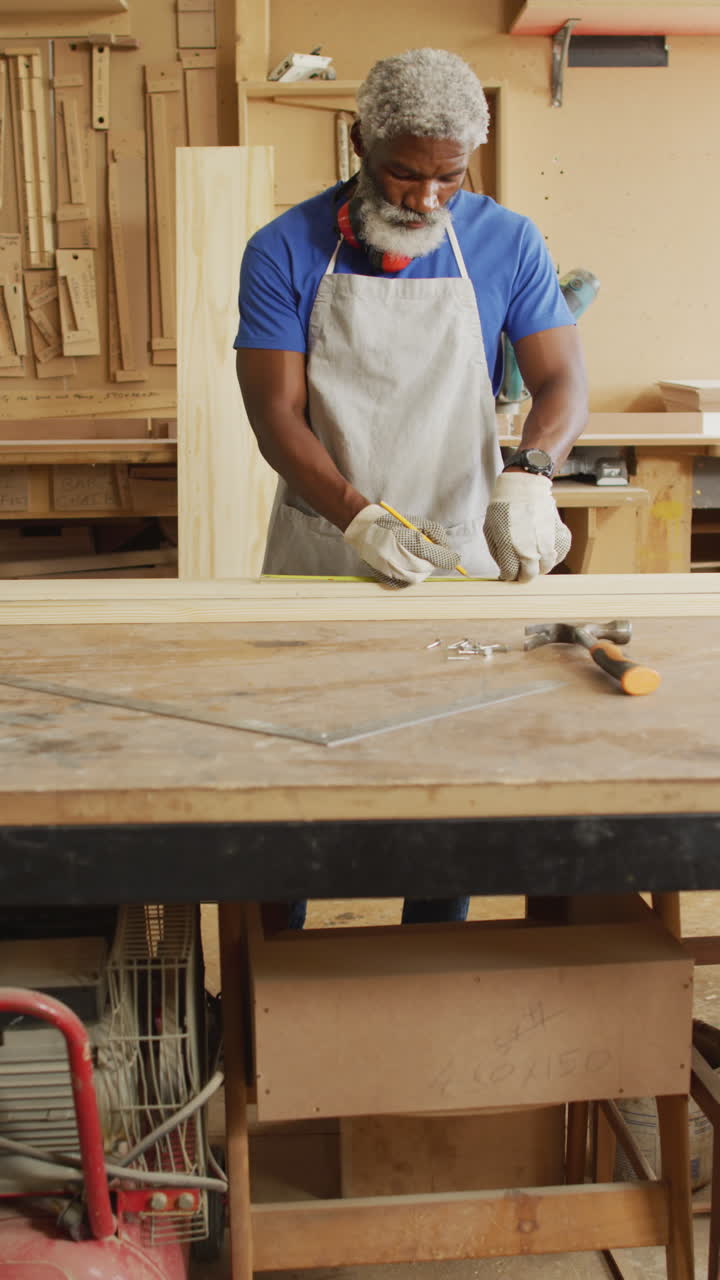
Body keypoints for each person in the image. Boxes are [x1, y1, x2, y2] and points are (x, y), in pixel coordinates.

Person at [235, 48, 589, 924]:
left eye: (448, 178)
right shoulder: (284, 248)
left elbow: (562, 383)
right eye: (403, 174)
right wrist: (356, 519)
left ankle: (429, 972)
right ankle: (276, 969)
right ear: (359, 141)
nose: (426, 198)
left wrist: (531, 474)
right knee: (300, 779)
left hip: (460, 551)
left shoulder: (507, 242)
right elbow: (276, 414)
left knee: (445, 785)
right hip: (326, 548)